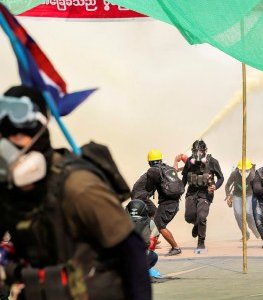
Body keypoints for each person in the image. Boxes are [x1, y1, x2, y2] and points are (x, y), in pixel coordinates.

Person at [0, 86, 150, 299]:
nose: (8, 147)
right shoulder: (8, 191)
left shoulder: (77, 186)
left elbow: (131, 252)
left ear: (39, 135)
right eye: (5, 136)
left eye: (19, 135)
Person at [182, 140, 224, 250]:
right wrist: (180, 190)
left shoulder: (212, 162)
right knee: (189, 217)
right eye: (195, 151)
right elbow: (184, 177)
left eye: (200, 151)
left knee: (201, 217)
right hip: (191, 192)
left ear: (205, 151)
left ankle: (201, 242)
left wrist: (216, 186)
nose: (198, 153)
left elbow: (221, 178)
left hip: (206, 193)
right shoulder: (189, 162)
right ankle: (196, 224)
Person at [144, 149, 184, 256]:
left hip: (167, 204)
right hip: (175, 202)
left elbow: (148, 187)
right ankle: (150, 248)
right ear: (161, 160)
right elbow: (175, 174)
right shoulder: (169, 168)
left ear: (149, 162)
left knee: (159, 225)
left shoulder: (152, 171)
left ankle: (176, 247)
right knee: (157, 224)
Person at [224, 159, 260, 240]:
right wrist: (228, 195)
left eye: (246, 170)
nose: (244, 172)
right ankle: (245, 234)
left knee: (248, 213)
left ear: (250, 169)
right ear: (238, 169)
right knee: (238, 214)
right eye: (241, 170)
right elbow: (227, 185)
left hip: (249, 195)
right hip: (237, 195)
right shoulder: (234, 174)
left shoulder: (253, 175)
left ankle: (256, 231)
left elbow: (257, 188)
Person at [125, 200, 160, 280]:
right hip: (141, 257)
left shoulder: (121, 222)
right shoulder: (150, 222)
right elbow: (152, 243)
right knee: (154, 256)